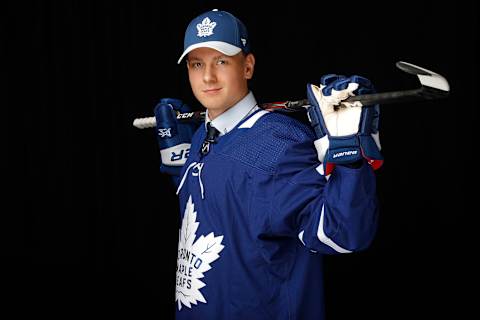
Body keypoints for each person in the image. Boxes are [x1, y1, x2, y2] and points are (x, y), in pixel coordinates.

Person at [153, 8, 383, 320]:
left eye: (221, 61)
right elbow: (230, 211)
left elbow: (343, 233)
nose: (207, 76)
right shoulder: (201, 139)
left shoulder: (280, 143)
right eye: (197, 64)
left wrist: (349, 159)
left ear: (247, 66)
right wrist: (179, 164)